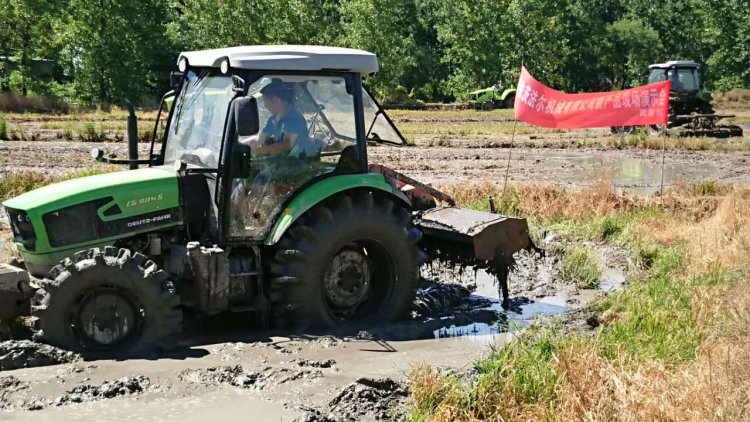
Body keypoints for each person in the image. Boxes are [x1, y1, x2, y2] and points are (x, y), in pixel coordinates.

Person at [242, 81, 314, 158]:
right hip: (282, 162)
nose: (265, 105)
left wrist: (258, 151)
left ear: (276, 100)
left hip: (298, 164)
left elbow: (286, 146)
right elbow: (260, 139)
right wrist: (241, 145)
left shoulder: (294, 117)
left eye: (265, 101)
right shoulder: (272, 119)